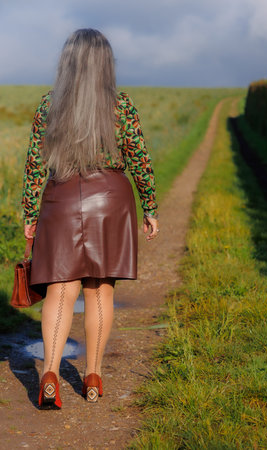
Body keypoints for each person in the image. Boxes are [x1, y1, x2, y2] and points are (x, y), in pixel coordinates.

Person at [22, 28, 159, 409]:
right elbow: (139, 158)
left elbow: (35, 164)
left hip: (61, 198)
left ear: (67, 62)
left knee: (60, 290)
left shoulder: (49, 104)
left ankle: (49, 373)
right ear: (105, 64)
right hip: (110, 201)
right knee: (99, 290)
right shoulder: (122, 105)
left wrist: (30, 213)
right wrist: (149, 207)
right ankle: (94, 377)